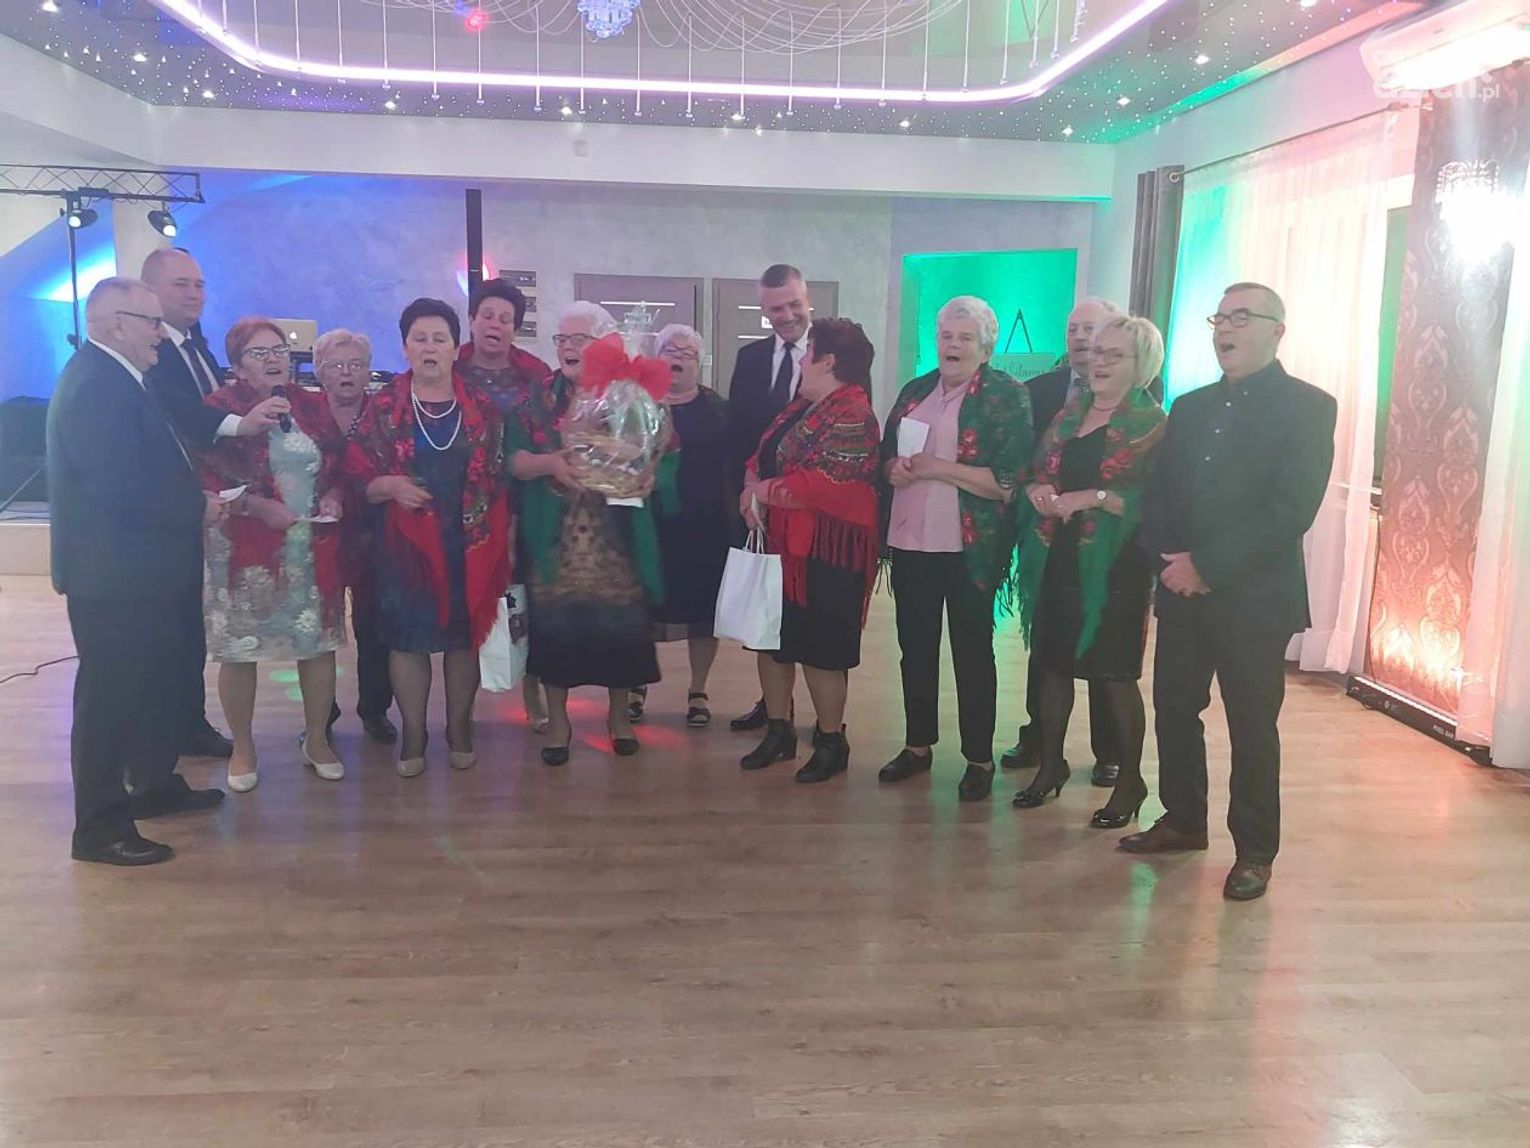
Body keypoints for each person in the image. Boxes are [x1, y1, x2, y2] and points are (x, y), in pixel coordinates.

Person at [1121, 283, 1337, 903]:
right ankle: (1183, 820)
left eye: (1242, 317)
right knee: (1174, 706)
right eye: (1220, 318)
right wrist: (1170, 562)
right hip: (1182, 589)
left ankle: (1255, 852)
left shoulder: (1310, 407)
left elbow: (1291, 509)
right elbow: (1159, 493)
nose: (1227, 329)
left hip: (1254, 596)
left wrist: (1207, 566)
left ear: (1277, 331)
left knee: (1251, 725)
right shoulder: (1189, 407)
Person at [46, 277, 227, 865]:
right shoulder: (95, 386)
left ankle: (151, 784)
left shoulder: (120, 377)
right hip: (113, 575)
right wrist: (199, 507)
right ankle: (99, 829)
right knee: (110, 699)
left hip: (142, 568)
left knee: (151, 684)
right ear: (114, 323)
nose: (160, 334)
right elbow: (120, 487)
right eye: (151, 323)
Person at [346, 298, 511, 777]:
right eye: (420, 338)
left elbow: (499, 480)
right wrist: (390, 486)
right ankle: (414, 735)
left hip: (468, 544)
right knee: (407, 642)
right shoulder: (382, 408)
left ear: (456, 348)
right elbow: (356, 479)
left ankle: (460, 728)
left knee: (463, 641)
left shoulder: (481, 409)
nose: (430, 347)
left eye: (440, 338)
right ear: (405, 348)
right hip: (404, 549)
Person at [1012, 316, 1167, 825]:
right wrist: (1038, 490)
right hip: (1057, 557)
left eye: (1113, 355)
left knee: (1114, 676)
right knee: (1052, 666)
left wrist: (1094, 497)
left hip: (1115, 569)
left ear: (1141, 364)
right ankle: (1050, 766)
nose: (1098, 362)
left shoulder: (1152, 425)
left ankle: (1130, 781)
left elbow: (1155, 502)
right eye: (1096, 352)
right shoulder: (1068, 415)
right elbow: (1036, 470)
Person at [878, 296, 1033, 802]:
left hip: (971, 548)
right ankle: (917, 745)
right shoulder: (916, 389)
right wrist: (893, 469)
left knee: (972, 652)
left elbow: (1009, 482)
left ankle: (978, 758)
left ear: (986, 348)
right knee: (915, 649)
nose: (954, 345)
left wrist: (938, 468)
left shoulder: (1006, 396)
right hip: (910, 540)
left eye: (966, 338)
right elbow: (886, 456)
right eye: (947, 336)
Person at [505, 302, 670, 764]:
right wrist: (550, 464)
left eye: (579, 339)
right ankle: (559, 724)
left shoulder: (630, 395)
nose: (568, 347)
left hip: (615, 538)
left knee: (622, 631)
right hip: (554, 540)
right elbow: (512, 460)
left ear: (605, 344)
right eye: (562, 339)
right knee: (554, 634)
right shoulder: (536, 399)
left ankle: (619, 719)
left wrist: (649, 474)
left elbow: (664, 454)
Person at [140, 246, 287, 760]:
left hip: (209, 506)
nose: (194, 294)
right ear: (150, 292)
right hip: (173, 504)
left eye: (199, 284)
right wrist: (243, 425)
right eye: (181, 284)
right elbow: (180, 413)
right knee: (169, 630)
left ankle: (189, 724)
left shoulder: (195, 345)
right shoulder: (154, 353)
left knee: (191, 629)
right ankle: (162, 737)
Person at [198, 318, 350, 791]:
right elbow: (203, 478)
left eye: (279, 351)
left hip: (309, 547)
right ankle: (243, 747)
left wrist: (335, 497)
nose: (273, 360)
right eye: (259, 353)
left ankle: (317, 740)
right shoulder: (218, 410)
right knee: (239, 651)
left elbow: (340, 466)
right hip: (244, 552)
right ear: (238, 365)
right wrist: (255, 506)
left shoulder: (310, 405)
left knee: (317, 646)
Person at [739, 317, 881, 784]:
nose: (801, 360)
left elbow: (819, 487)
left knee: (822, 651)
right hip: (781, 544)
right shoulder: (801, 408)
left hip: (827, 553)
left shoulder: (854, 413)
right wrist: (752, 487)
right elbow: (761, 456)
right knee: (772, 642)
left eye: (808, 352)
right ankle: (779, 731)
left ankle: (831, 741)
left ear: (828, 362)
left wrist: (761, 492)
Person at [1001, 296, 1127, 787]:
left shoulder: (1134, 394)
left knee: (1103, 646)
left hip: (1104, 543)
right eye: (1073, 329)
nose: (1079, 338)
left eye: (1089, 329)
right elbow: (1023, 458)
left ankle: (1109, 751)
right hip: (1046, 538)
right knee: (1046, 646)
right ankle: (1038, 738)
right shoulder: (1039, 390)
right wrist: (1033, 487)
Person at [457, 279, 555, 732]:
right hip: (463, 501)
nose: (495, 325)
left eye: (506, 319)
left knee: (528, 597)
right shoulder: (451, 369)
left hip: (525, 498)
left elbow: (549, 434)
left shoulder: (535, 375)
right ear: (472, 320)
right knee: (472, 597)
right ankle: (463, 703)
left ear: (515, 328)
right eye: (488, 315)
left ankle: (533, 694)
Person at [725, 263, 813, 732]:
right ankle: (775, 704)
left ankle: (824, 719)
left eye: (794, 304)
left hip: (810, 508)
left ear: (808, 299)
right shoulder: (750, 358)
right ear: (764, 310)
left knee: (807, 612)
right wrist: (746, 490)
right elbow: (739, 432)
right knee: (766, 608)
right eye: (776, 308)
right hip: (759, 507)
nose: (787, 315)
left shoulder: (832, 355)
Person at [635, 323, 730, 728]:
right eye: (669, 350)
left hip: (705, 529)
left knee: (703, 613)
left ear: (699, 362)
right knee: (643, 610)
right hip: (649, 527)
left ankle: (698, 689)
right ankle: (635, 685)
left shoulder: (718, 409)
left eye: (687, 352)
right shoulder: (638, 405)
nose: (677, 357)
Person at [313, 328, 397, 745]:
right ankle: (320, 715)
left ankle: (375, 709)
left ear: (368, 372)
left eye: (356, 365)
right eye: (336, 365)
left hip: (373, 531)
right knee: (318, 627)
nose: (346, 373)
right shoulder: (305, 413)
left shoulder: (384, 414)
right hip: (319, 532)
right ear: (320, 372)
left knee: (375, 625)